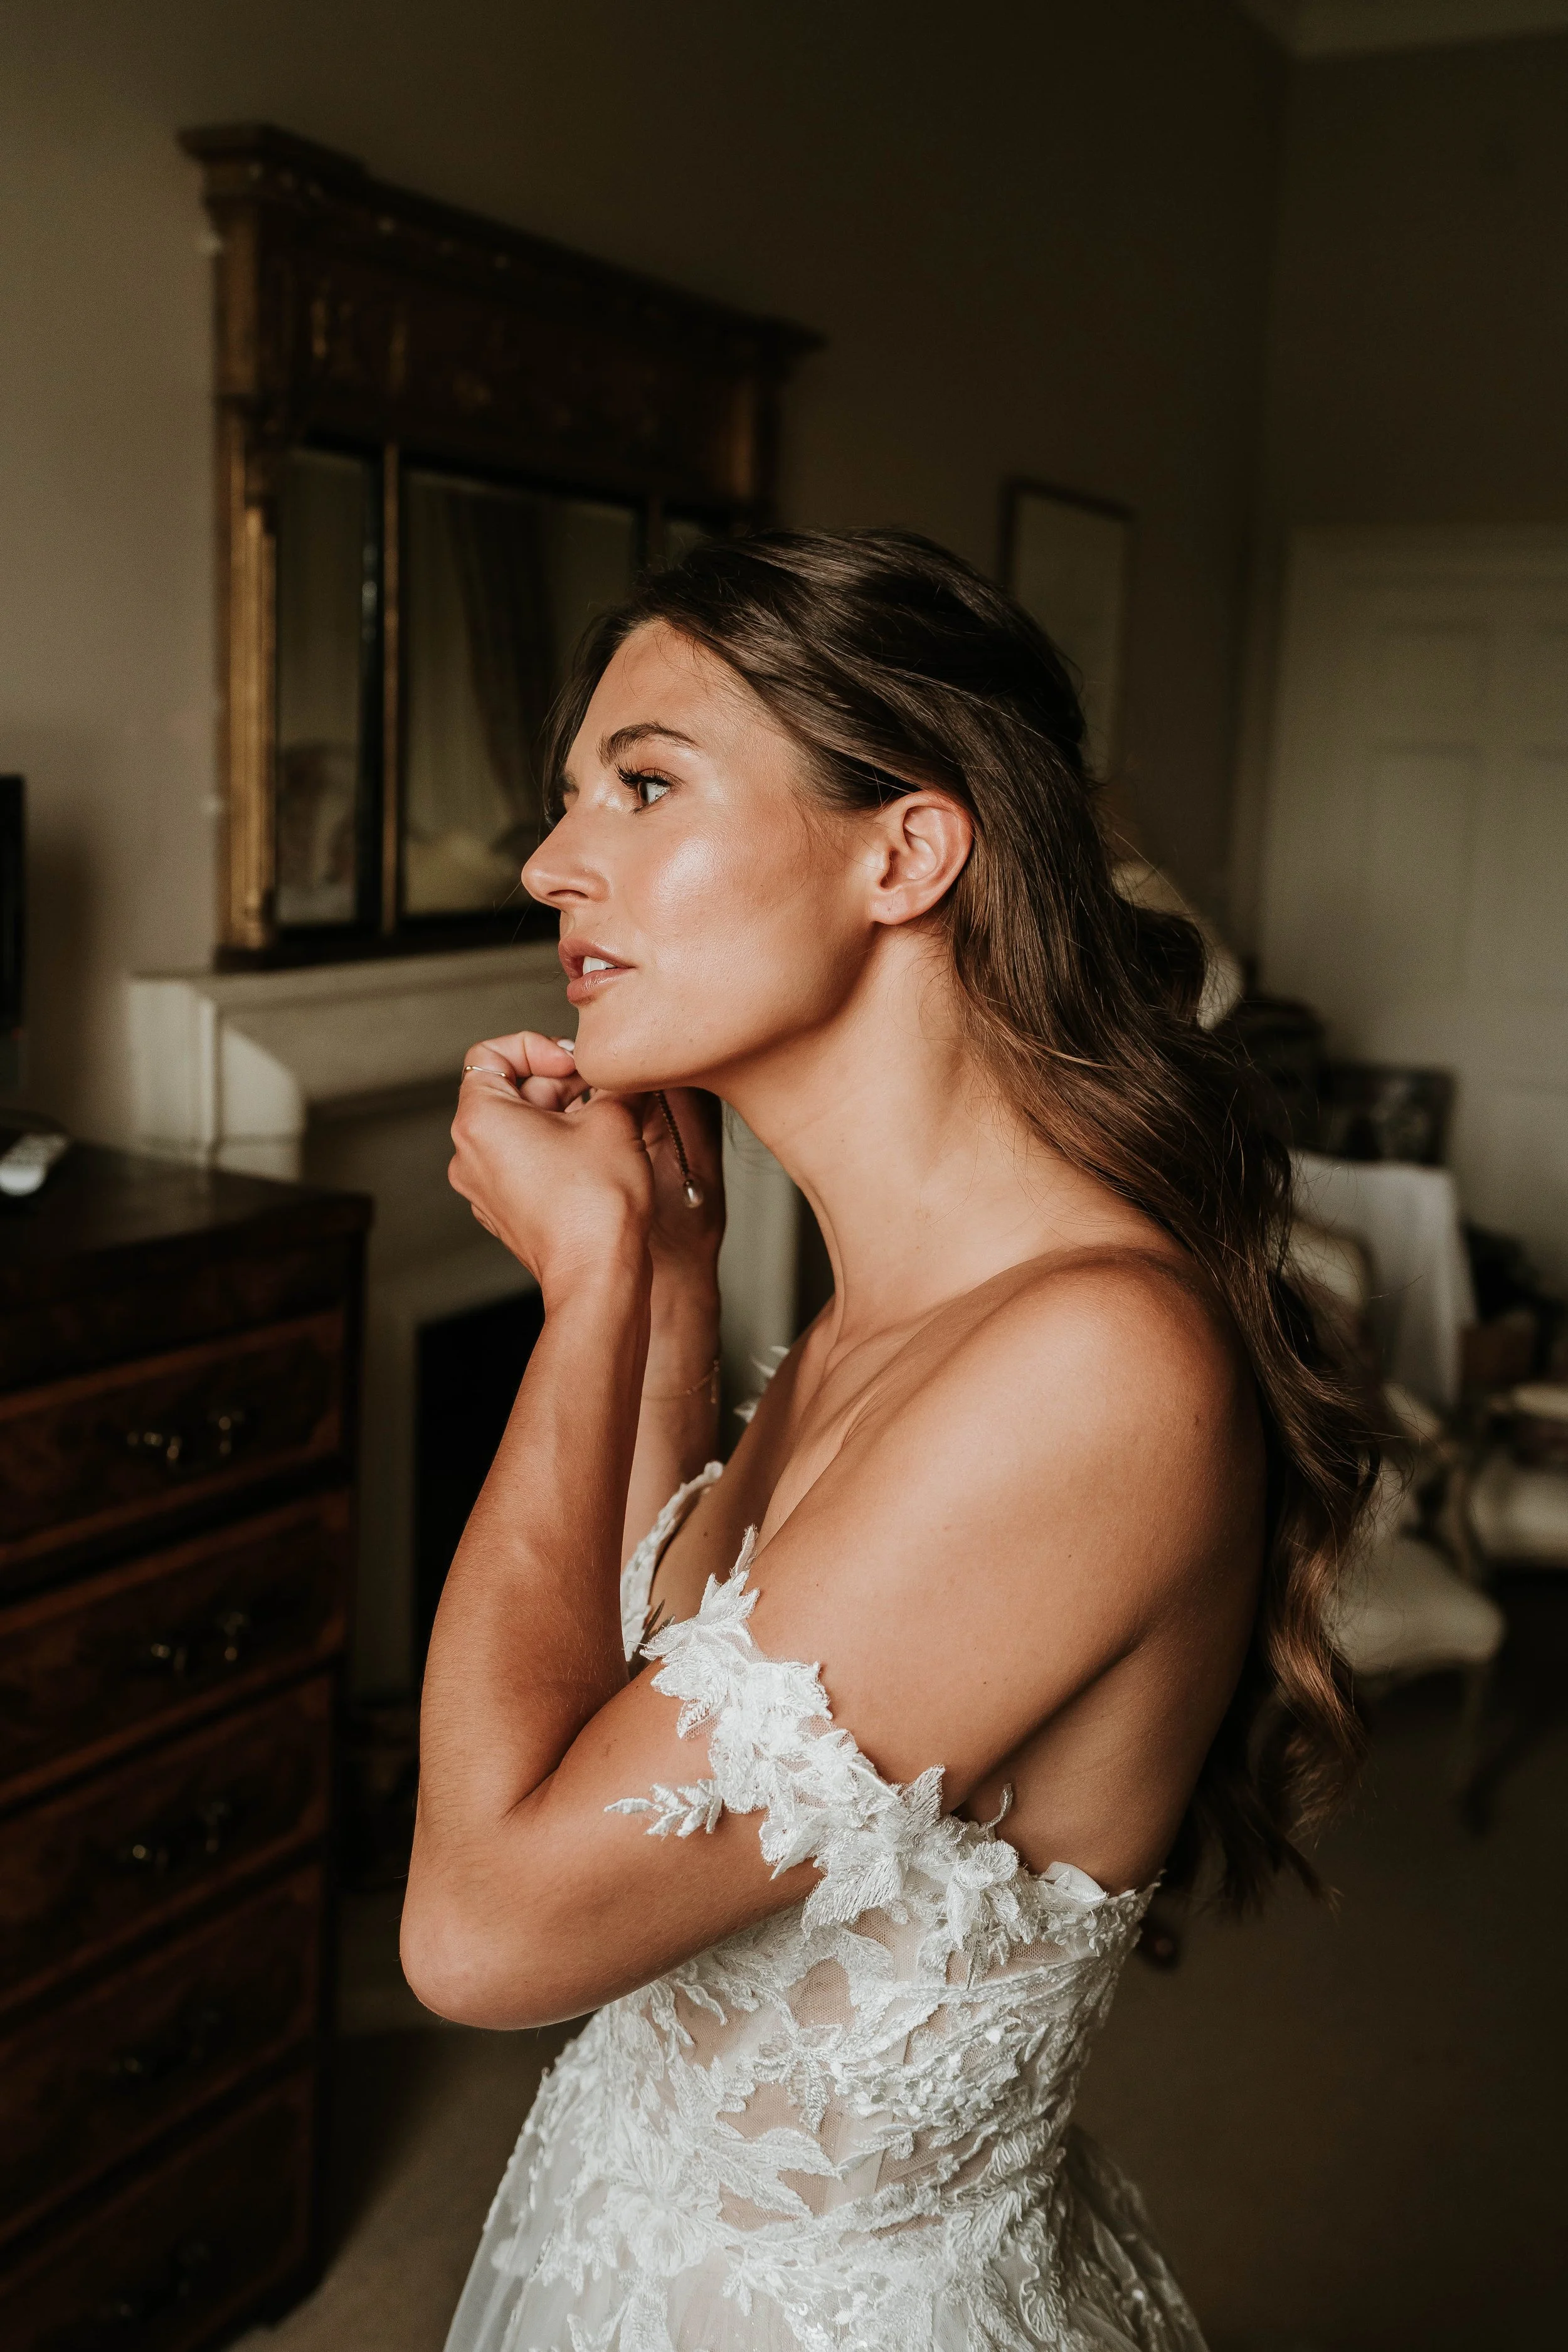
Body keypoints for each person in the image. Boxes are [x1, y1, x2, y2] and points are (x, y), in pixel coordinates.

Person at [402, 529, 1376, 2352]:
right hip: (639, 2235)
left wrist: (590, 1287)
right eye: (567, 801)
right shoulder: (881, 1310)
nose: (548, 863)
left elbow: (483, 1930)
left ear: (906, 851)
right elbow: (641, 1732)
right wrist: (672, 1296)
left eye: (641, 782)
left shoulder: (1088, 1361)